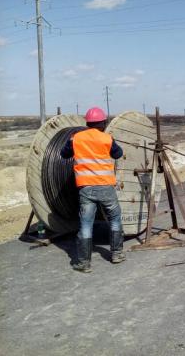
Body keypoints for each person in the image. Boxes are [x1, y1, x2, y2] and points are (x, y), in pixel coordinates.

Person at [60, 106, 125, 273]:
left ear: (87, 123)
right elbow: (118, 154)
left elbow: (64, 154)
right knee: (115, 219)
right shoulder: (107, 139)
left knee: (86, 224)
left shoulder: (76, 138)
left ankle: (84, 263)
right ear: (103, 123)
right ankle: (117, 254)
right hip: (106, 187)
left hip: (86, 188)